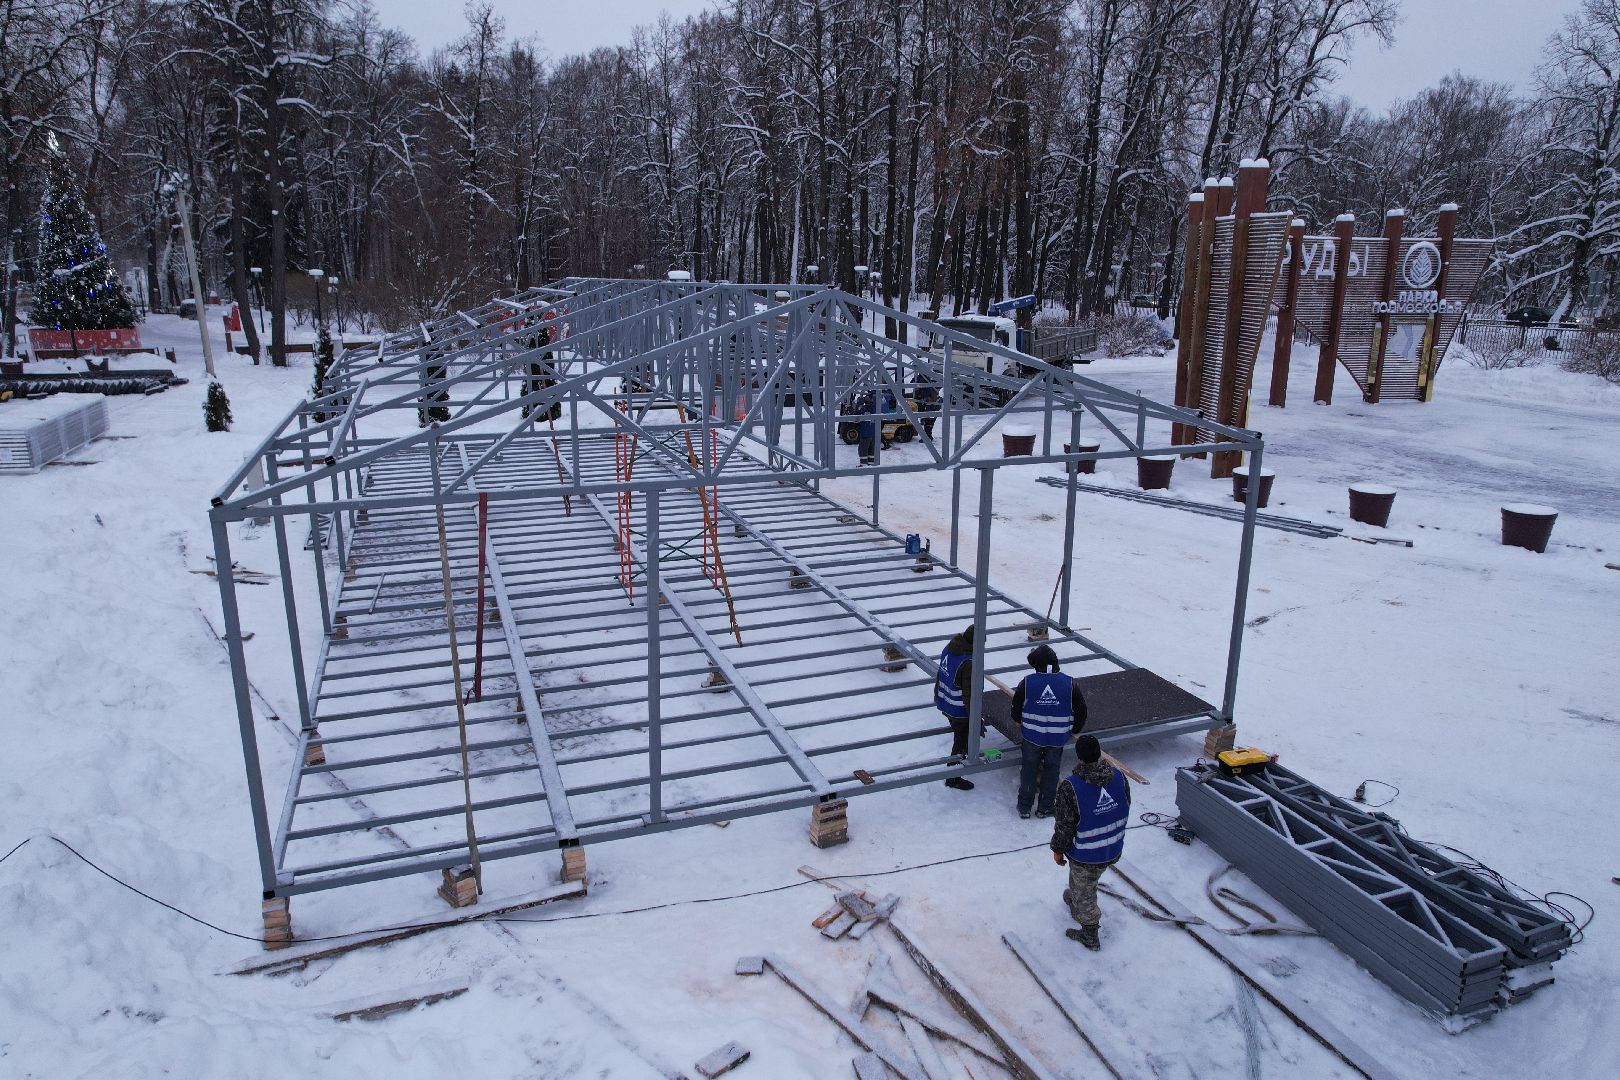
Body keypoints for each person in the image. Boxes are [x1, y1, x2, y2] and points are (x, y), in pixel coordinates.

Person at [1050, 734, 1130, 951]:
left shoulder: (1070, 787)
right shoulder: (1119, 777)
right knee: (1083, 881)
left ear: (1078, 757)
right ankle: (1076, 899)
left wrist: (1057, 850)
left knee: (1085, 891)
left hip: (1086, 854)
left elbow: (1064, 826)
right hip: (1113, 847)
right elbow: (1125, 804)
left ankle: (1089, 934)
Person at [1010, 644, 1087, 819]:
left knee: (1029, 770)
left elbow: (1016, 706)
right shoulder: (1069, 683)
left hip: (1031, 736)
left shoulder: (1027, 682)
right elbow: (1081, 709)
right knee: (1052, 772)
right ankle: (1045, 807)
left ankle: (1024, 807)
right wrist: (1075, 729)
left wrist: (1017, 719)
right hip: (1058, 737)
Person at [933, 625, 977, 791]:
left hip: (945, 702)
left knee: (960, 738)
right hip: (958, 710)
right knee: (960, 740)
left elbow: (940, 675)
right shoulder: (968, 662)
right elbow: (969, 695)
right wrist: (975, 719)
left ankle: (964, 755)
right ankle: (953, 777)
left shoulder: (950, 648)